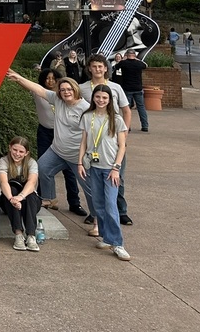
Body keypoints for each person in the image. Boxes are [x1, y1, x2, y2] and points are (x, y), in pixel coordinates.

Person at [77, 85, 130, 261]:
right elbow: (84, 142)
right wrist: (80, 162)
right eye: (98, 97)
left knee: (110, 204)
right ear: (93, 98)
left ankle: (118, 243)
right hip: (93, 166)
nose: (101, 100)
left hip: (110, 168)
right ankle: (107, 237)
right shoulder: (87, 117)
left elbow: (122, 146)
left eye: (104, 98)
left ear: (110, 100)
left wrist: (116, 168)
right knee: (98, 204)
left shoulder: (116, 119)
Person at [80, 54, 132, 226]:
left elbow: (126, 111)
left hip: (113, 138)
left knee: (117, 177)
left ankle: (121, 210)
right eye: (94, 66)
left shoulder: (115, 87)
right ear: (89, 68)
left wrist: (124, 134)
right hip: (94, 141)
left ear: (105, 68)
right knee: (94, 181)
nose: (97, 69)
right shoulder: (83, 88)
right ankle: (95, 214)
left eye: (100, 66)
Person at [29, 68, 85, 214]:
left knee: (77, 178)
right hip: (49, 136)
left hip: (74, 149)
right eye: (47, 78)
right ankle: (47, 198)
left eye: (69, 89)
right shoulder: (52, 97)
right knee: (43, 166)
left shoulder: (83, 107)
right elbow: (35, 88)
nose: (50, 81)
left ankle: (78, 205)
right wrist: (15, 76)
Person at [0, 136, 43, 251]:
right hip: (9, 199)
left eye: (21, 151)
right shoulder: (4, 161)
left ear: (26, 153)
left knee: (31, 196)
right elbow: (3, 182)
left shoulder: (32, 163)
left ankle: (31, 236)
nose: (17, 154)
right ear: (10, 148)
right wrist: (12, 198)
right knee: (11, 188)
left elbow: (32, 183)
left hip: (28, 200)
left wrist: (20, 197)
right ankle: (18, 234)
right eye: (15, 150)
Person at [114, 49, 149, 132]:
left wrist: (123, 59)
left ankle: (128, 126)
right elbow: (146, 65)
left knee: (127, 108)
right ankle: (145, 126)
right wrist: (137, 59)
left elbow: (116, 67)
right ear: (135, 55)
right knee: (141, 107)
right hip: (138, 88)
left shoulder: (123, 63)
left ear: (126, 55)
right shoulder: (139, 63)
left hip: (127, 88)